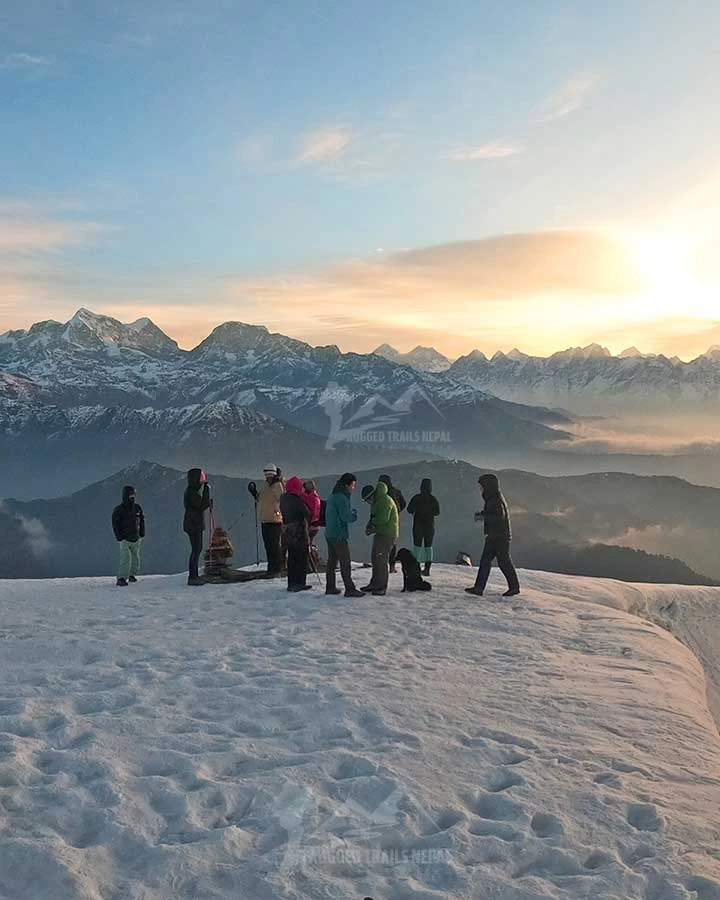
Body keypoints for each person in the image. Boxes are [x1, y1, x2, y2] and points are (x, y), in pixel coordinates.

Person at [465, 473, 520, 598]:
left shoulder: (495, 499)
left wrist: (483, 516)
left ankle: (514, 587)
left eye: (482, 486)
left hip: (499, 537)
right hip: (495, 535)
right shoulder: (493, 498)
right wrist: (483, 514)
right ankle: (479, 588)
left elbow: (498, 517)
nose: (480, 489)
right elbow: (495, 514)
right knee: (487, 561)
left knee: (503, 562)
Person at [324, 472, 364, 598]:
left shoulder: (332, 496)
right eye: (352, 485)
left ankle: (330, 587)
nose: (353, 488)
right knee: (345, 561)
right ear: (347, 485)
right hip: (339, 534)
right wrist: (354, 514)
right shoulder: (342, 498)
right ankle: (349, 588)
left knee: (331, 562)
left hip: (329, 533)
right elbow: (345, 517)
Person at [361, 481, 399, 596]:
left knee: (381, 560)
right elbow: (373, 516)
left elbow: (383, 519)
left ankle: (381, 586)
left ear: (372, 496)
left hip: (388, 534)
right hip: (380, 532)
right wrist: (370, 525)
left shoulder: (384, 500)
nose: (368, 502)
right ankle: (374, 583)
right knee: (375, 558)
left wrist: (372, 526)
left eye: (368, 500)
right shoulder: (377, 501)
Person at [279, 476, 313, 592]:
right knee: (301, 558)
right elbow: (308, 514)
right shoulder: (298, 499)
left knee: (292, 557)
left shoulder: (283, 498)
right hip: (299, 532)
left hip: (288, 532)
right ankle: (300, 583)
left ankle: (291, 583)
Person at [111, 485, 145, 586]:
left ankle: (132, 575)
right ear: (125, 496)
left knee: (135, 557)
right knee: (125, 558)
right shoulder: (119, 510)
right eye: (130, 495)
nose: (132, 497)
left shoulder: (137, 508)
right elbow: (115, 524)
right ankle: (121, 578)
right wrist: (119, 537)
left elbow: (142, 520)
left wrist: (142, 532)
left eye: (133, 495)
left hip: (136, 537)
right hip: (124, 538)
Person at [407, 478, 440, 576]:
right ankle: (427, 569)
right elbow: (437, 512)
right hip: (429, 526)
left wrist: (416, 512)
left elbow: (409, 509)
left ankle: (416, 568)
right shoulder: (433, 499)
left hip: (417, 525)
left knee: (417, 547)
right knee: (428, 547)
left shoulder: (416, 498)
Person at [183, 468, 211, 586]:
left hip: (193, 524)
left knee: (196, 549)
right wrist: (206, 492)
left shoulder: (191, 491)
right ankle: (192, 576)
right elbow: (202, 505)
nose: (202, 481)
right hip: (194, 525)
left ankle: (194, 575)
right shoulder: (192, 492)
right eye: (201, 478)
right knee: (196, 550)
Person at [256, 464, 284, 576]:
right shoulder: (266, 485)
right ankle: (271, 568)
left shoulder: (278, 486)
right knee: (268, 545)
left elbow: (281, 500)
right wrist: (255, 494)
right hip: (265, 519)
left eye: (268, 474)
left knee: (274, 545)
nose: (267, 477)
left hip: (274, 520)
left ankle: (276, 569)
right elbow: (261, 498)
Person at [378, 474, 405, 573]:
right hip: (394, 521)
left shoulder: (379, 494)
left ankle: (382, 565)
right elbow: (404, 504)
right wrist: (396, 512)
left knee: (381, 544)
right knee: (393, 544)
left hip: (382, 522)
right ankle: (392, 567)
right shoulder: (396, 492)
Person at [302, 479, 322, 573]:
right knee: (307, 544)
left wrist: (308, 524)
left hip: (311, 526)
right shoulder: (312, 496)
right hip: (312, 525)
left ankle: (309, 566)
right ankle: (310, 564)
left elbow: (314, 513)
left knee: (306, 545)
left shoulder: (313, 498)